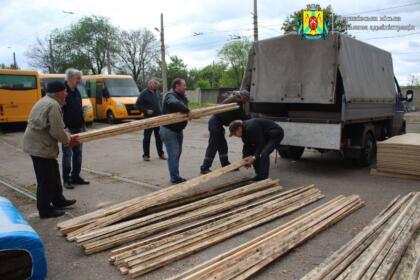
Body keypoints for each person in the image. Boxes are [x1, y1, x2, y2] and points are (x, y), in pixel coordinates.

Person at [23, 81, 79, 219]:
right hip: (40, 147)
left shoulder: (46, 101)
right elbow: (56, 131)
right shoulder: (53, 105)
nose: (66, 94)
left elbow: (56, 128)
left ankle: (58, 200)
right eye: (64, 91)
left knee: (53, 174)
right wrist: (68, 141)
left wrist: (66, 137)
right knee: (45, 179)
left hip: (38, 144)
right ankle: (45, 210)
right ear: (57, 93)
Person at [200, 90, 250, 174]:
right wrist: (253, 118)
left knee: (222, 145)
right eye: (246, 99)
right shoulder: (236, 102)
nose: (247, 101)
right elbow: (242, 116)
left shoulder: (235, 99)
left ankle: (225, 164)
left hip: (218, 123)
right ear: (243, 97)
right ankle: (204, 167)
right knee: (213, 145)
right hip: (215, 123)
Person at [160, 78, 193, 184]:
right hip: (169, 130)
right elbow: (175, 104)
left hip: (178, 130)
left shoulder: (182, 97)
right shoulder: (170, 96)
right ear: (177, 86)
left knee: (177, 153)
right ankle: (174, 178)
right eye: (184, 85)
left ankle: (175, 175)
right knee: (174, 154)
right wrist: (187, 111)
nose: (185, 87)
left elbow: (183, 106)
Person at [62, 68, 89, 189]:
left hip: (79, 127)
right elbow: (59, 111)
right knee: (67, 154)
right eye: (78, 78)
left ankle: (75, 176)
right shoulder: (62, 92)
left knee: (78, 154)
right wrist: (63, 128)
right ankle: (66, 179)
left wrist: (83, 126)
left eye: (80, 78)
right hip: (67, 129)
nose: (80, 80)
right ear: (70, 78)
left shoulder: (76, 91)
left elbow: (78, 109)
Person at [136, 79, 166, 161]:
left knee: (159, 137)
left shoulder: (157, 93)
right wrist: (146, 111)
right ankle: (146, 155)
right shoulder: (144, 93)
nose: (157, 85)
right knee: (147, 137)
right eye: (155, 84)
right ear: (150, 84)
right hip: (148, 119)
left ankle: (161, 154)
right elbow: (137, 105)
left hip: (158, 118)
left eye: (157, 84)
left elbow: (160, 104)